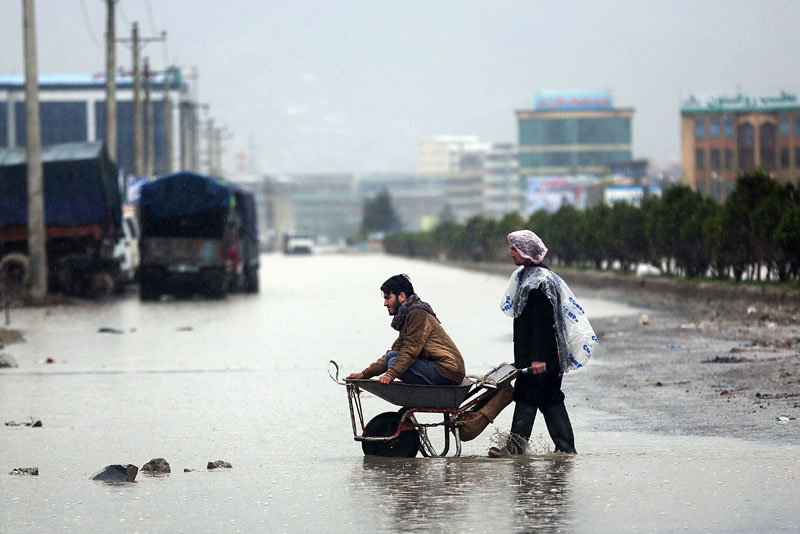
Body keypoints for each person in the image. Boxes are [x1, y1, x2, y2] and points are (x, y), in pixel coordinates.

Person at [489, 230, 596, 456]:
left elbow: (543, 324)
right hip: (536, 358)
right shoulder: (528, 276)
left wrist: (538, 357)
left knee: (542, 398)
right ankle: (551, 451)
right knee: (536, 398)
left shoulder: (540, 282)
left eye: (514, 249)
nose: (511, 254)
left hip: (542, 359)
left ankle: (555, 450)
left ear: (527, 252)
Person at [346, 274, 465, 386]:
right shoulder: (408, 315)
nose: (385, 303)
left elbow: (410, 349)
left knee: (393, 362)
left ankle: (424, 395)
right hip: (441, 369)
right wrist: (365, 374)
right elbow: (397, 350)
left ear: (402, 296)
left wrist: (390, 374)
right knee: (391, 356)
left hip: (448, 372)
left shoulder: (417, 313)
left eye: (388, 298)